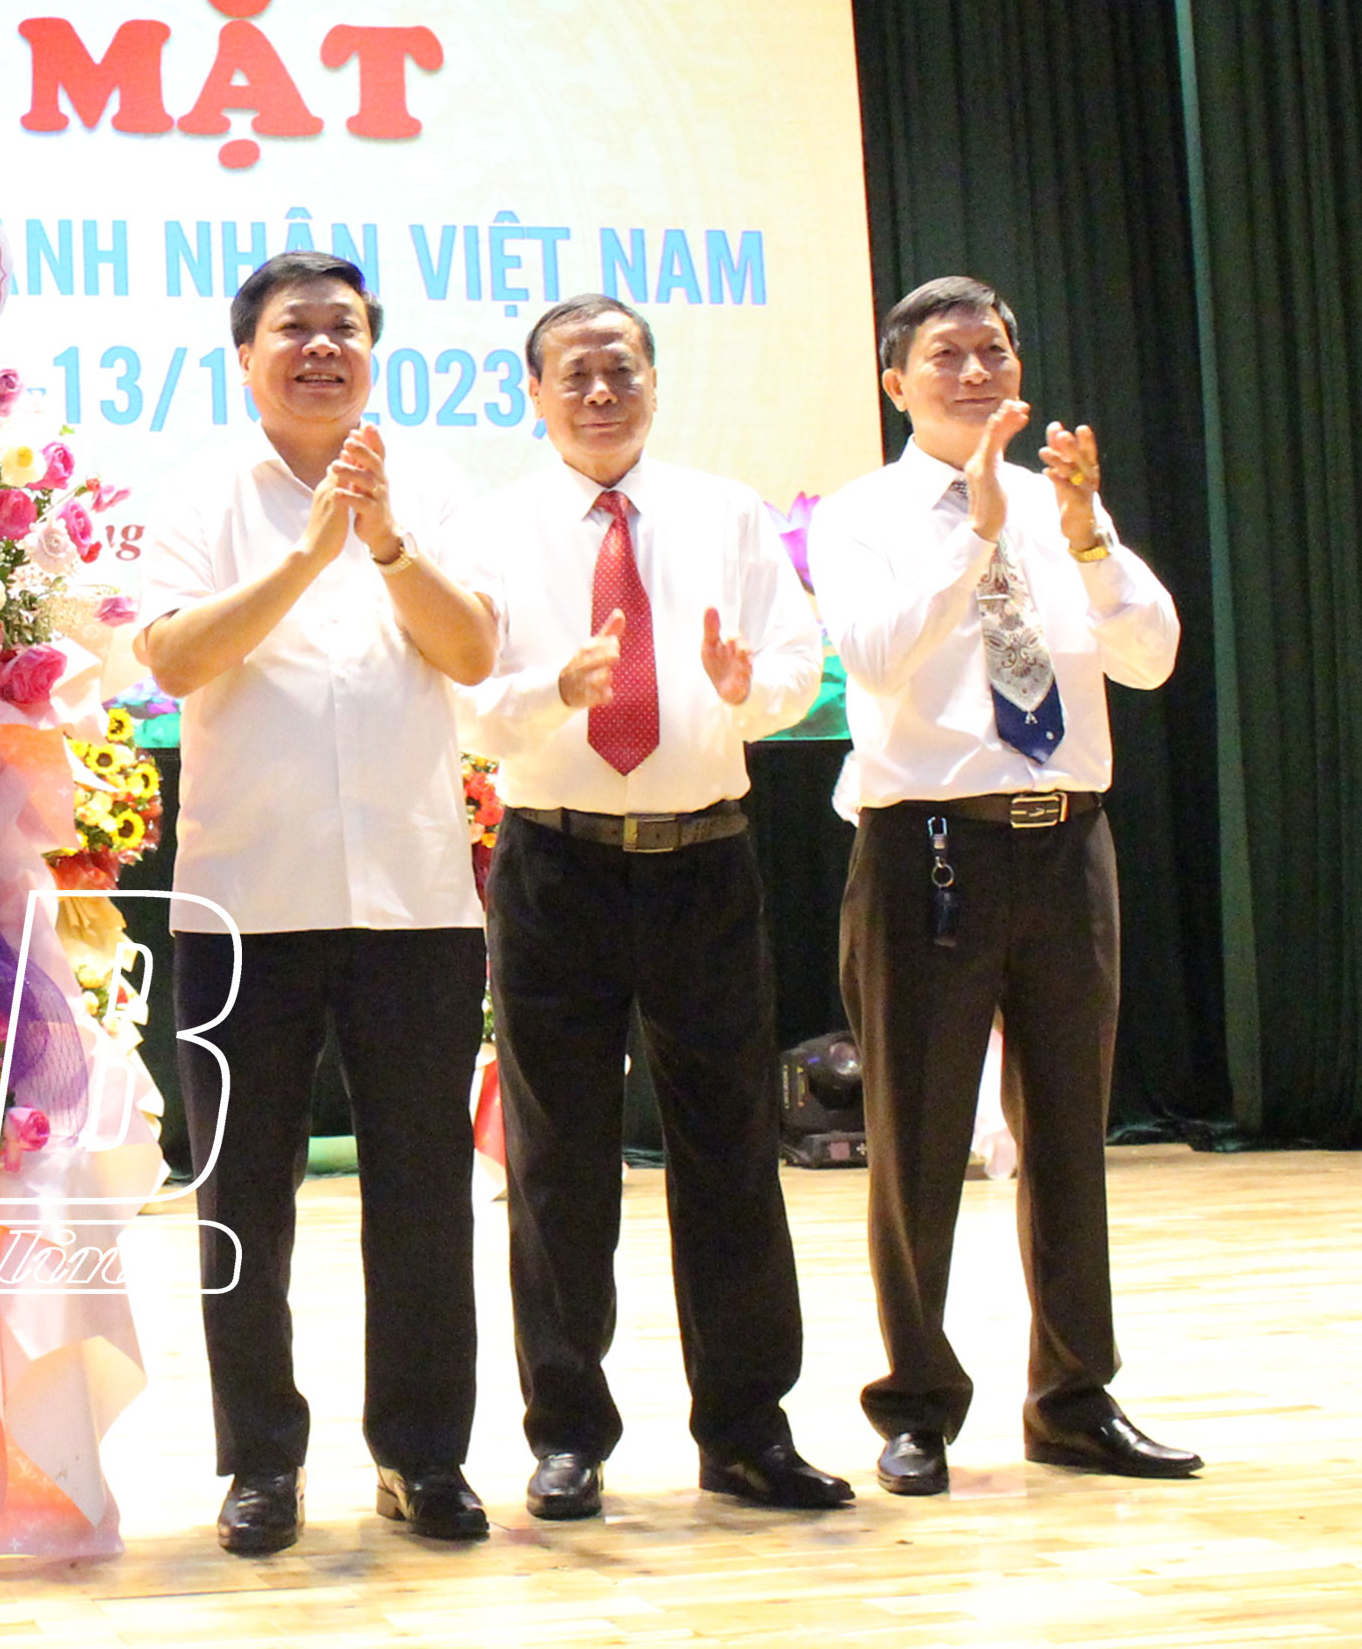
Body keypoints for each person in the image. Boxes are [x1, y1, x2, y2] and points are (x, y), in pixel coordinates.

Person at [452, 294, 848, 1519]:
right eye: (575, 373)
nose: (601, 392)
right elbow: (464, 700)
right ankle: (567, 1432)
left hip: (704, 861)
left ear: (655, 383)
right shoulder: (490, 527)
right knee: (559, 1162)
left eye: (621, 369)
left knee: (731, 1150)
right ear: (533, 393)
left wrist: (748, 687)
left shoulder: (727, 513)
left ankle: (747, 1429)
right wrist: (549, 691)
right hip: (555, 866)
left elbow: (794, 666)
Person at [134, 251, 502, 1553]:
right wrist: (306, 559)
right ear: (246, 357)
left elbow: (472, 651)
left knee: (425, 1192)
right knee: (244, 1196)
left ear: (373, 350)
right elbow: (174, 658)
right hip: (246, 897)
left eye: (344, 327)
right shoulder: (198, 495)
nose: (321, 347)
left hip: (414, 897)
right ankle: (261, 1461)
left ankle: (423, 1455)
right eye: (294, 328)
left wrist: (385, 540)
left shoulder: (433, 486)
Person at [809, 275, 1195, 1497]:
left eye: (993, 350)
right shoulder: (861, 514)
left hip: (1068, 843)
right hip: (930, 846)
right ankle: (916, 1404)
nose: (975, 372)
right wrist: (972, 531)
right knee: (919, 1137)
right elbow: (873, 656)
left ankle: (1074, 1398)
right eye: (946, 355)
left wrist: (1086, 537)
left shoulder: (1058, 500)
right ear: (896, 383)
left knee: (1070, 1131)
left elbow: (1151, 658)